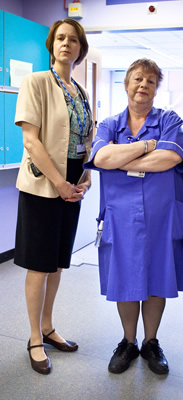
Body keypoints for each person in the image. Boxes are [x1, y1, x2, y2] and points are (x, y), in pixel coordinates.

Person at [84, 58, 183, 375]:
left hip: (160, 215)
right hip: (121, 216)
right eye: (138, 79)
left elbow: (170, 157)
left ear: (157, 88)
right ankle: (128, 343)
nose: (143, 85)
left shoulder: (169, 119)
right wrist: (145, 146)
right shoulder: (109, 125)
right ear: (127, 84)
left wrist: (122, 159)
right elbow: (101, 156)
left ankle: (151, 342)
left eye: (151, 81)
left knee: (157, 277)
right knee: (125, 279)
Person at [14, 18, 93, 375]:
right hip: (44, 186)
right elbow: (31, 140)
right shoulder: (36, 83)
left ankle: (48, 325)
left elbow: (84, 139)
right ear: (51, 44)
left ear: (80, 48)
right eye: (60, 38)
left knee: (59, 262)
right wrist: (60, 182)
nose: (66, 44)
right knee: (39, 264)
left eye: (73, 39)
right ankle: (34, 337)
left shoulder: (80, 91)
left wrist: (86, 174)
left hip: (72, 187)